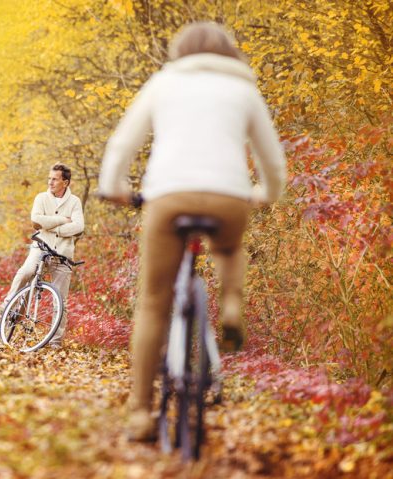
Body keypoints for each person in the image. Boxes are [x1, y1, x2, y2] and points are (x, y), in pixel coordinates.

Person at [96, 22, 286, 440]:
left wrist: (113, 189)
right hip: (229, 196)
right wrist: (265, 193)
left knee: (153, 302)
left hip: (169, 196)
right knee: (229, 249)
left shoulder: (164, 84)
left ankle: (141, 412)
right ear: (229, 53)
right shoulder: (244, 90)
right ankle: (231, 303)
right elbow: (272, 160)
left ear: (179, 51)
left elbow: (122, 144)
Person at [0, 163, 85, 349]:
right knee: (26, 272)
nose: (50, 182)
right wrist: (62, 221)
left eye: (54, 179)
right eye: (49, 178)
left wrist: (51, 227)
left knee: (60, 300)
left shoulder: (75, 202)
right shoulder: (41, 198)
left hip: (63, 254)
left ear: (65, 182)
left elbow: (78, 227)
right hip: (40, 247)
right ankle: (7, 304)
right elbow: (36, 220)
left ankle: (55, 342)